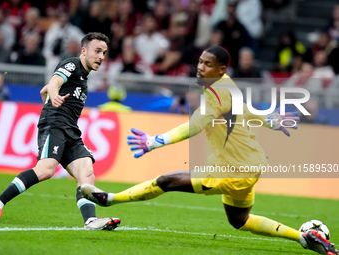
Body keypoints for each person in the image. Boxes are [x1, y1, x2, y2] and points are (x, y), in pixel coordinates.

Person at [81, 46, 338, 254]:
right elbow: (244, 110)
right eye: (200, 62)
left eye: (207, 63)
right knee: (239, 220)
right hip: (247, 164)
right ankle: (304, 238)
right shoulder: (227, 86)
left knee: (165, 181)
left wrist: (155, 141)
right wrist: (269, 119)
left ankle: (109, 200)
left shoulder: (217, 93)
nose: (200, 67)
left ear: (221, 68)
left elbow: (195, 125)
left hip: (235, 169)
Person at [0, 32, 120, 231]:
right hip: (56, 125)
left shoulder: (83, 78)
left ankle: (90, 221)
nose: (101, 56)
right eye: (97, 51)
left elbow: (43, 90)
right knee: (46, 170)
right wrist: (54, 101)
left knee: (87, 174)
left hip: (70, 130)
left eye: (104, 53)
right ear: (84, 51)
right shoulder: (72, 63)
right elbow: (53, 84)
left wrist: (49, 99)